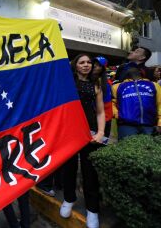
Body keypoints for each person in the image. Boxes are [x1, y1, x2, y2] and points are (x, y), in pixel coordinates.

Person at [60, 54, 105, 228]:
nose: (86, 65)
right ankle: (68, 199)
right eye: (82, 62)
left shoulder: (96, 84)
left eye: (89, 62)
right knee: (68, 169)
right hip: (69, 133)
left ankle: (92, 210)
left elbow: (100, 112)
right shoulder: (66, 83)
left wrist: (101, 132)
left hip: (90, 134)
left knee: (90, 172)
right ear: (75, 65)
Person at [112, 67, 161, 139]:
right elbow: (112, 103)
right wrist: (118, 115)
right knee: (128, 148)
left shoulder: (153, 85)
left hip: (150, 125)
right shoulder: (117, 86)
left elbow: (159, 104)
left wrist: (160, 123)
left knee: (150, 148)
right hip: (126, 126)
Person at [92, 56, 113, 137]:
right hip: (91, 118)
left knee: (101, 143)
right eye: (94, 63)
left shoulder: (105, 84)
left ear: (102, 69)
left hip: (104, 119)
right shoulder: (87, 80)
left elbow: (105, 104)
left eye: (98, 65)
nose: (94, 66)